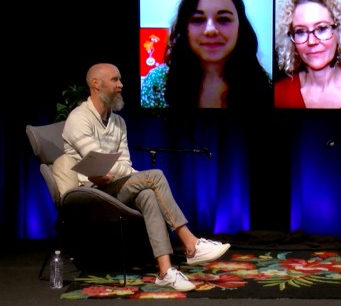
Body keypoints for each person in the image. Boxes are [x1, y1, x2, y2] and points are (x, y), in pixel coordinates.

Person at [62, 63, 231, 292]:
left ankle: (165, 271)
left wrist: (113, 169)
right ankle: (191, 244)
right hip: (88, 192)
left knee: (150, 193)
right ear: (96, 83)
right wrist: (112, 169)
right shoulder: (79, 118)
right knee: (155, 176)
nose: (121, 84)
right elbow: (98, 162)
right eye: (115, 79)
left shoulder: (119, 122)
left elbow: (121, 165)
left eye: (120, 79)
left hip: (112, 186)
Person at [141, 0, 272, 109]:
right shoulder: (157, 83)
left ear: (240, 27)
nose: (210, 30)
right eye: (198, 20)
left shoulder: (266, 85)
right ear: (184, 28)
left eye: (223, 19)